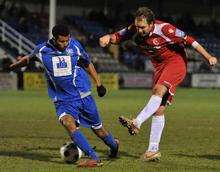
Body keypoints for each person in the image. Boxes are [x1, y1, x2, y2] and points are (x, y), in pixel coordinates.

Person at [99, 7, 218, 161]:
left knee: (158, 90)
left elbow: (190, 40)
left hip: (176, 62)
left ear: (152, 24)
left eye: (142, 27)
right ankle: (153, 150)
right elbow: (117, 37)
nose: (139, 30)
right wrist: (107, 38)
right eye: (137, 26)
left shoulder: (166, 29)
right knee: (159, 109)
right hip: (159, 67)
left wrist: (208, 57)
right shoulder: (134, 29)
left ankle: (137, 122)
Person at [10, 24, 119, 167]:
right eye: (62, 41)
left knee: (99, 131)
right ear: (54, 39)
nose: (65, 44)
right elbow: (29, 58)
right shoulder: (42, 50)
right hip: (63, 100)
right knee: (69, 123)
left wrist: (99, 84)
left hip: (83, 95)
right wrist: (13, 66)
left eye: (67, 40)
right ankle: (94, 158)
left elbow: (87, 63)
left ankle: (114, 146)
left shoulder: (75, 46)